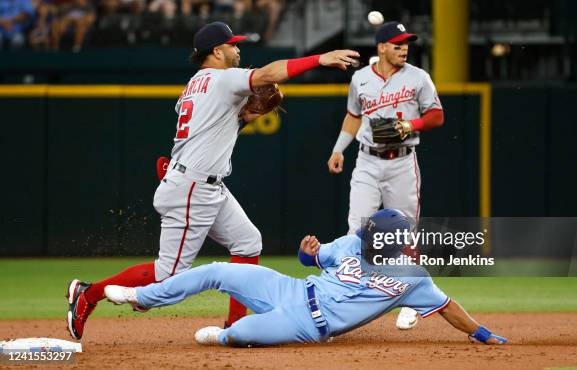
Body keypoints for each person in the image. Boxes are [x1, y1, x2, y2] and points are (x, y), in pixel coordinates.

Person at [66, 20, 360, 340]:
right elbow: (270, 74)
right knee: (168, 274)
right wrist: (320, 58)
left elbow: (223, 124)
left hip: (202, 183)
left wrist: (253, 112)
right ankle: (88, 294)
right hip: (193, 187)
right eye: (233, 45)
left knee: (248, 242)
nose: (238, 49)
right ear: (217, 51)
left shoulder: (194, 85)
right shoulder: (223, 80)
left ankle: (236, 327)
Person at [104, 209, 507, 347]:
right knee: (218, 271)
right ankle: (144, 297)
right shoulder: (352, 243)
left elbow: (447, 306)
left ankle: (224, 335)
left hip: (306, 324)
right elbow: (307, 261)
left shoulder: (412, 276)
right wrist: (307, 252)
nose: (364, 243)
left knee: (241, 333)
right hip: (292, 288)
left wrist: (482, 333)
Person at [326, 21, 445, 331]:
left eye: (406, 43)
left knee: (406, 232)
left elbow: (436, 115)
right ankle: (345, 294)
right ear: (381, 47)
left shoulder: (419, 77)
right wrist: (339, 150)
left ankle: (410, 300)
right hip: (367, 160)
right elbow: (354, 116)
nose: (404, 48)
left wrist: (411, 126)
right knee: (356, 228)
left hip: (403, 162)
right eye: (397, 43)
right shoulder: (360, 79)